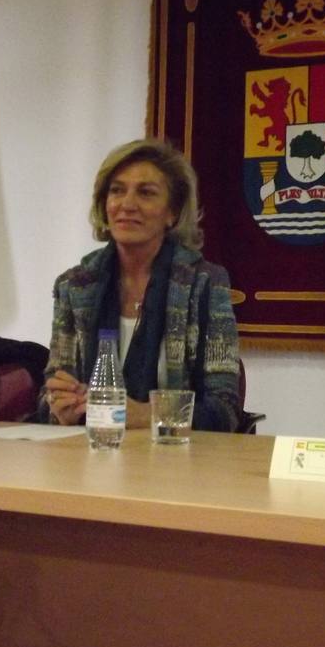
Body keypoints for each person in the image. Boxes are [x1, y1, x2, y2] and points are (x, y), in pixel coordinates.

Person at [36, 138, 240, 431]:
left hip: (176, 462)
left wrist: (147, 415)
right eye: (117, 191)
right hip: (91, 455)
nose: (127, 204)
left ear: (172, 212)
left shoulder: (204, 284)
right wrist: (60, 408)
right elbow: (48, 395)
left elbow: (224, 408)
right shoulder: (75, 286)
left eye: (145, 193)